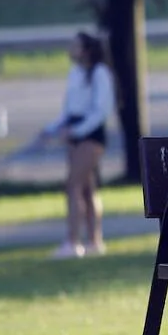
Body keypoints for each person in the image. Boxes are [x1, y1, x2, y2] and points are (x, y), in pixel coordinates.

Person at [43, 31, 115, 259]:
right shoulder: (75, 73)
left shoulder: (100, 73)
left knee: (72, 185)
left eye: (75, 46)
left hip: (91, 135)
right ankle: (95, 241)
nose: (70, 50)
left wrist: (76, 131)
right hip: (74, 133)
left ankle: (72, 242)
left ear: (85, 50)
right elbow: (69, 110)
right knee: (86, 187)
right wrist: (52, 129)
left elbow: (101, 111)